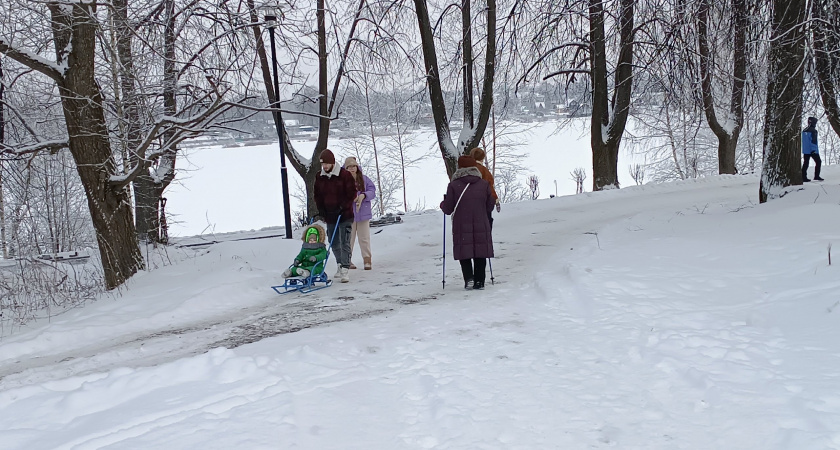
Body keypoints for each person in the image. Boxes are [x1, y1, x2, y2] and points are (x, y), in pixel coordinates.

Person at [440, 155, 495, 290]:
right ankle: (479, 281)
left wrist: (443, 204)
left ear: (459, 167)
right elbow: (490, 205)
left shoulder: (454, 185)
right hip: (481, 221)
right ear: (474, 167)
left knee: (464, 250)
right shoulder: (484, 184)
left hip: (461, 224)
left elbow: (448, 209)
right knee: (481, 250)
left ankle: (469, 278)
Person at [314, 149, 356, 283]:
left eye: (326, 164)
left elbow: (352, 193)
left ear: (332, 162)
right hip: (330, 215)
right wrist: (321, 209)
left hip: (344, 214)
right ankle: (339, 263)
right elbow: (317, 195)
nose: (325, 166)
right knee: (333, 241)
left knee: (344, 241)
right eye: (323, 164)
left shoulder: (344, 175)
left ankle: (345, 268)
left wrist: (343, 206)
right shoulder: (320, 176)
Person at [343, 157, 376, 270]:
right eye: (349, 167)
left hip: (363, 214)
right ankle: (347, 260)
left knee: (364, 238)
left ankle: (367, 260)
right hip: (349, 215)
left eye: (354, 166)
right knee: (348, 239)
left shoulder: (364, 179)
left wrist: (363, 195)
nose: (352, 169)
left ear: (357, 167)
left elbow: (372, 191)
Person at [469, 147, 501, 226]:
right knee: (485, 226)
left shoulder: (465, 169)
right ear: (482, 158)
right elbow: (490, 187)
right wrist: (496, 200)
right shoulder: (484, 171)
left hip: (467, 205)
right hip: (483, 204)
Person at [802, 116, 824, 182]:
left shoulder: (804, 130)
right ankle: (816, 176)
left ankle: (803, 177)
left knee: (806, 163)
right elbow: (813, 141)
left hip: (806, 150)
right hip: (813, 150)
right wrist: (813, 150)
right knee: (818, 162)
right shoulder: (813, 131)